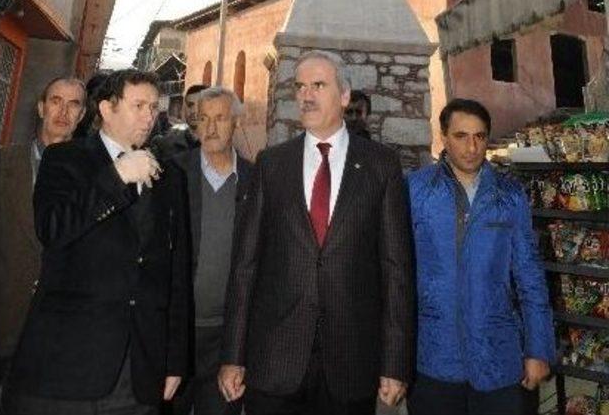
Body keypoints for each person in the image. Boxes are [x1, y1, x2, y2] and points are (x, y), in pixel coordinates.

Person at [218, 50, 414, 415]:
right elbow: (246, 265)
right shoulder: (272, 164)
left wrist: (395, 363)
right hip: (274, 361)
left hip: (352, 363)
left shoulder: (379, 166)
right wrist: (233, 355)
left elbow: (397, 271)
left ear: (344, 96)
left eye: (318, 86)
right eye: (300, 86)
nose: (306, 96)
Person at [0, 68, 192, 415]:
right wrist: (116, 177)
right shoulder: (64, 159)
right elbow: (53, 229)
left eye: (154, 108)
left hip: (138, 370)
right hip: (67, 366)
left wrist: (174, 358)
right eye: (138, 106)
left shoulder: (170, 175)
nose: (149, 117)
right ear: (106, 109)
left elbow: (175, 274)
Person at [407, 98, 555, 415]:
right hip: (433, 357)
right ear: (443, 137)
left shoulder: (509, 196)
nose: (472, 147)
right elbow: (395, 276)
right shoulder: (415, 191)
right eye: (461, 136)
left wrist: (538, 349)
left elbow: (530, 278)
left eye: (480, 136)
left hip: (499, 357)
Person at [0, 77, 86, 382]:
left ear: (83, 115)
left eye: (74, 104)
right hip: (3, 319)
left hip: (62, 331)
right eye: (56, 101)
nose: (63, 111)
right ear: (40, 108)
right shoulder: (1, 164)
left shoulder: (95, 177)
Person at [173, 86, 253, 415]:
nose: (210, 128)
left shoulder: (255, 179)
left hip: (228, 336)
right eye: (203, 118)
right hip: (178, 331)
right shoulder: (173, 172)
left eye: (220, 118)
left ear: (236, 122)